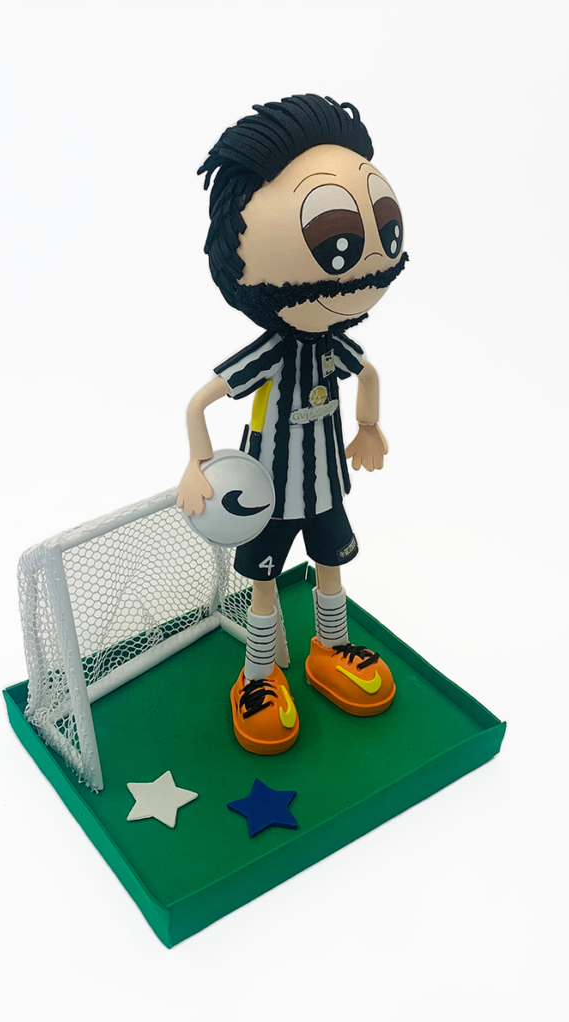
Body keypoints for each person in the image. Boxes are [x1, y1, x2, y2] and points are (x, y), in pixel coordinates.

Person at [177, 94, 409, 755]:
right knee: (265, 582)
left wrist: (368, 427)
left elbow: (368, 372)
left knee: (332, 566)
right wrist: (196, 464)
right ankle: (259, 674)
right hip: (265, 495)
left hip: (327, 486)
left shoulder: (333, 347)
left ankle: (329, 649)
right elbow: (200, 402)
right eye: (338, 244)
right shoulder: (269, 354)